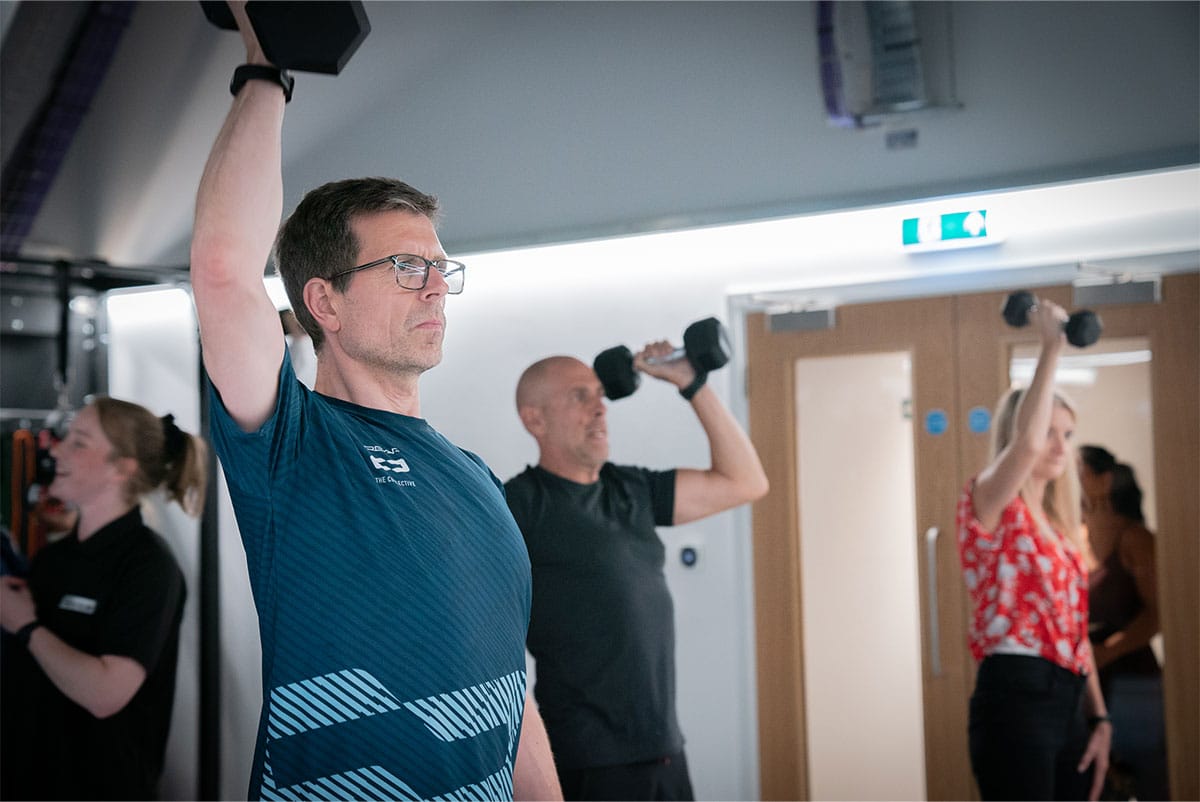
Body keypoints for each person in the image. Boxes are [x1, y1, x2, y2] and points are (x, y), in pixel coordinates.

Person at [187, 4, 559, 800]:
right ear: (324, 301)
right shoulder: (293, 445)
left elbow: (510, 689)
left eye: (439, 267)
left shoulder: (476, 480)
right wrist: (267, 73)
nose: (437, 287)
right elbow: (223, 270)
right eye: (403, 266)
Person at [506, 342, 769, 800]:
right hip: (589, 762)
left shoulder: (632, 490)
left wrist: (693, 383)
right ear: (535, 419)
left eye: (599, 394)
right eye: (579, 397)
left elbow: (745, 481)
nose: (600, 409)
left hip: (664, 749)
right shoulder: (518, 507)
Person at [0, 397, 207, 800]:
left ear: (121, 467)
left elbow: (106, 695)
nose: (56, 449)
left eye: (79, 442)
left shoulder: (149, 567)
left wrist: (25, 625)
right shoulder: (52, 559)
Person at [956, 296, 1111, 801]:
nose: (1061, 447)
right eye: (1049, 432)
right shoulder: (990, 501)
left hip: (1067, 698)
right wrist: (1051, 345)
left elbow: (1075, 633)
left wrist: (1099, 716)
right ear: (1021, 430)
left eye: (1068, 434)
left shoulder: (1064, 534)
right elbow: (1022, 450)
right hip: (1016, 694)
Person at [1078, 445, 1168, 801]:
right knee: (1100, 788)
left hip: (1134, 685)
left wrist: (1106, 652)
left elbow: (1158, 614)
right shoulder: (1077, 537)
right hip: (1092, 687)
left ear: (1104, 481)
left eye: (1079, 470)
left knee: (1149, 783)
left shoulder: (1135, 539)